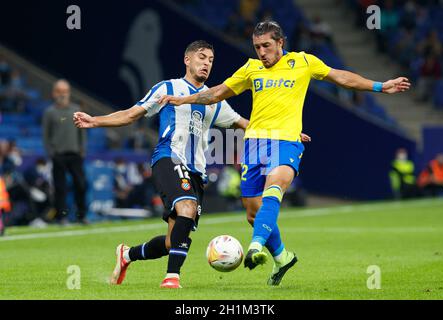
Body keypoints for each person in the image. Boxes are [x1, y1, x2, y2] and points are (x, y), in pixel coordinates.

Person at [158, 20, 411, 286]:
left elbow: (341, 77)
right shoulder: (251, 68)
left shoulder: (303, 62)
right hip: (254, 144)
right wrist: (183, 99)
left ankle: (255, 246)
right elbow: (217, 93)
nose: (261, 52)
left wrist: (381, 86)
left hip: (287, 141)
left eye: (266, 45)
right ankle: (282, 257)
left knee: (274, 187)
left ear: (281, 43)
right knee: (253, 213)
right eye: (257, 47)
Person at [73, 40, 249, 289]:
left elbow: (244, 124)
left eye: (211, 59)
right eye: (201, 57)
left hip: (197, 171)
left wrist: (282, 133)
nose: (206, 63)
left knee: (172, 242)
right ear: (187, 60)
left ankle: (126, 255)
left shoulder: (214, 100)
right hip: (169, 157)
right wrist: (96, 121)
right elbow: (131, 114)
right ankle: (171, 278)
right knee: (186, 207)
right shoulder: (168, 88)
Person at [43, 79, 88, 225]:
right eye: (59, 91)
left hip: (75, 154)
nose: (62, 94)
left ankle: (81, 215)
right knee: (60, 188)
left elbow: (82, 131)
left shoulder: (76, 110)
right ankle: (61, 217)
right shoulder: (49, 112)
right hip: (58, 155)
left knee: (81, 185)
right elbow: (46, 135)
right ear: (54, 93)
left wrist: (82, 149)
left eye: (65, 91)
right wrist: (52, 152)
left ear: (69, 93)